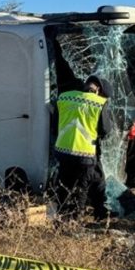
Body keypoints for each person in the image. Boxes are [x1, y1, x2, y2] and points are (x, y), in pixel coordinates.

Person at [53, 75, 113, 221]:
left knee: (65, 185)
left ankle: (61, 218)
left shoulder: (64, 97)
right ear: (98, 90)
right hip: (84, 153)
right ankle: (74, 223)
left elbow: (55, 124)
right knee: (81, 189)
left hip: (63, 151)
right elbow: (105, 130)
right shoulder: (99, 103)